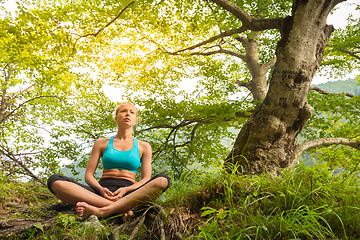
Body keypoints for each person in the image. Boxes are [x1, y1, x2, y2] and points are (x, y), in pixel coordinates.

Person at [47, 102, 170, 218]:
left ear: (135, 120)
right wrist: (100, 189)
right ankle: (121, 209)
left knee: (162, 181)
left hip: (130, 192)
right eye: (123, 111)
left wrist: (126, 190)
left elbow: (146, 179)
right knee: (55, 181)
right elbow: (89, 175)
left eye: (132, 112)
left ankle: (102, 211)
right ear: (116, 117)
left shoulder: (144, 146)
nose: (128, 114)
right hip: (102, 190)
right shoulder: (101, 143)